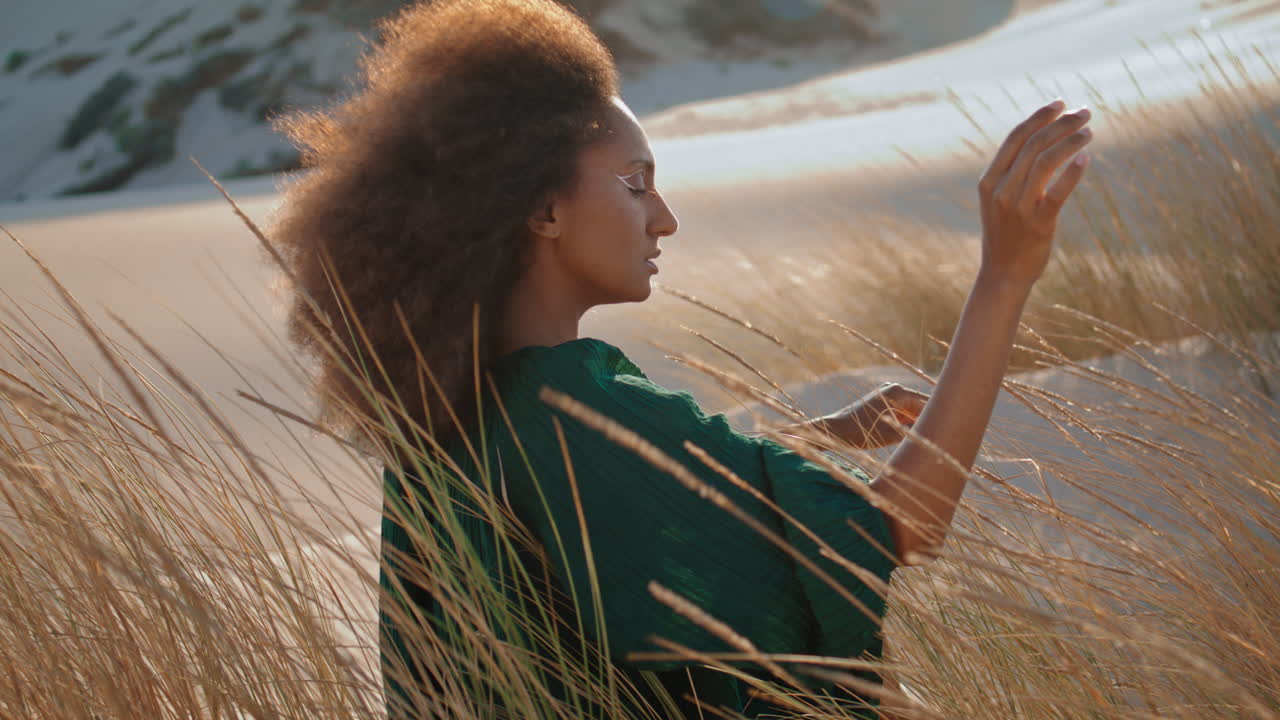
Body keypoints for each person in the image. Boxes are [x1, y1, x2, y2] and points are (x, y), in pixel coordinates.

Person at [263, 0, 1094, 717]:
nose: (664, 218)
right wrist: (1004, 276)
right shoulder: (566, 409)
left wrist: (818, 441)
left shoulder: (460, 420)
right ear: (544, 210)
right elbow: (898, 529)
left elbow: (655, 513)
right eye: (635, 183)